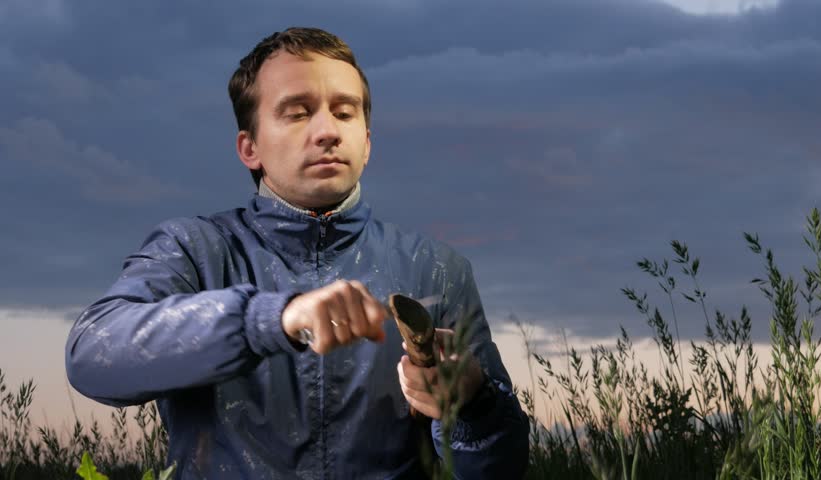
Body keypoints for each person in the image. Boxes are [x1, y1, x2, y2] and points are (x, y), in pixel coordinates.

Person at [66, 27, 529, 479]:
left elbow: (501, 467)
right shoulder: (194, 249)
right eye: (298, 113)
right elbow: (92, 356)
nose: (327, 130)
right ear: (250, 148)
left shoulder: (437, 269)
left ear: (366, 143)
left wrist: (475, 406)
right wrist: (268, 320)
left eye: (345, 113)